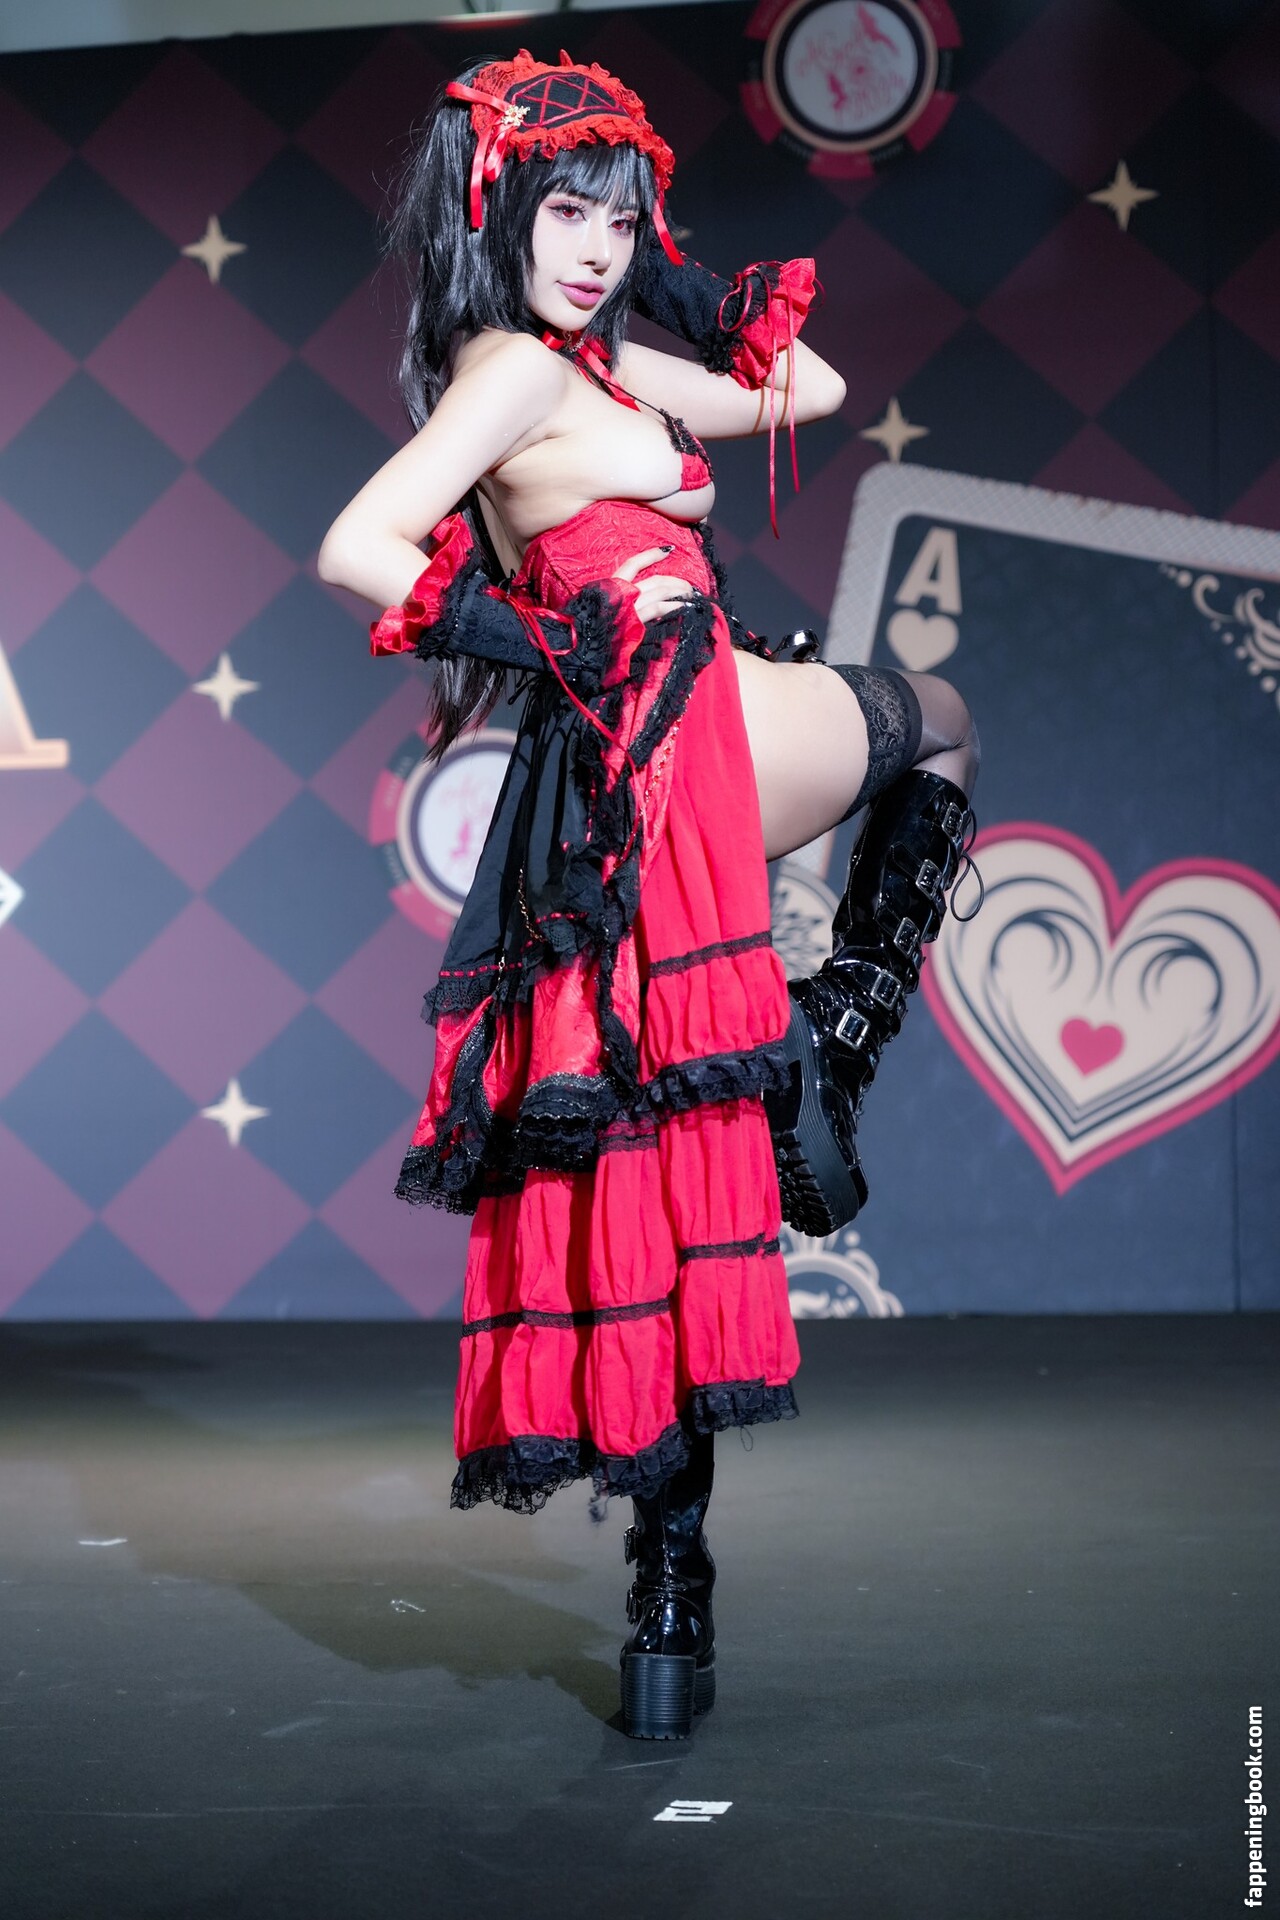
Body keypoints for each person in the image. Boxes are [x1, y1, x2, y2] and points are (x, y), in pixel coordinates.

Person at [318, 49, 981, 1740]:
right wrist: (545, 637)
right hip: (658, 740)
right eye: (570, 213)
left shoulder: (598, 363)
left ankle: (670, 1588)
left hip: (653, 765)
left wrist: (668, 284)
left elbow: (809, 384)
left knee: (658, 1180)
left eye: (623, 220)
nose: (600, 248)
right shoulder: (507, 373)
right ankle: (833, 1045)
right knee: (938, 726)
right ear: (498, 214)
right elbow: (360, 544)